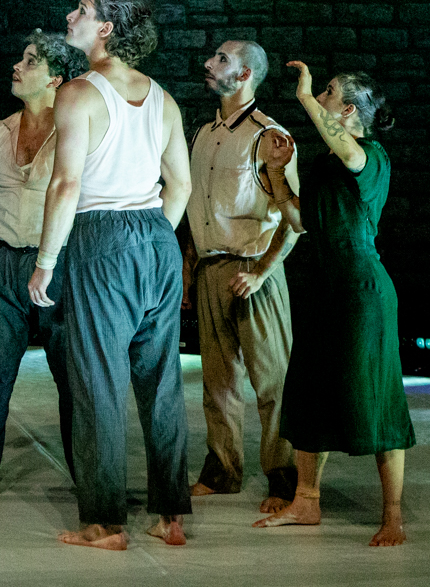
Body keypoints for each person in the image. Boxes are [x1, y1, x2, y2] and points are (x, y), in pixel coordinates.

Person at [28, 0, 193, 551]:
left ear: (105, 28)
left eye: (82, 9)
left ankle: (103, 522)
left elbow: (67, 183)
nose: (70, 14)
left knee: (97, 381)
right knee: (160, 381)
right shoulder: (164, 98)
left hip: (102, 235)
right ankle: (170, 514)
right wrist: (148, 240)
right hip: (156, 235)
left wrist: (47, 261)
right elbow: (182, 185)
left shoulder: (78, 92)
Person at [255, 62, 415, 546]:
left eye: (326, 93)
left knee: (375, 396)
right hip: (324, 288)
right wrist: (278, 174)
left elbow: (347, 150)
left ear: (347, 110)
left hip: (361, 291)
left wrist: (304, 95)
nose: (317, 96)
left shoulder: (370, 155)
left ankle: (392, 515)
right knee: (308, 390)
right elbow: (302, 222)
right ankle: (306, 500)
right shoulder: (325, 164)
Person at [0, 30, 86, 507]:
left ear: (56, 78)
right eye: (20, 58)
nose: (17, 67)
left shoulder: (75, 133)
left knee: (73, 378)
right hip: (5, 265)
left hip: (59, 265)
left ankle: (90, 477)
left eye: (30, 61)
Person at [187, 39, 301, 512]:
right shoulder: (202, 133)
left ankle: (285, 476)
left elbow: (294, 220)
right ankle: (223, 468)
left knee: (272, 381)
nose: (209, 64)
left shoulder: (270, 136)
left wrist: (260, 272)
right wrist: (189, 265)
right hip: (211, 269)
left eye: (221, 60)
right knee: (217, 382)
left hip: (254, 272)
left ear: (246, 74)